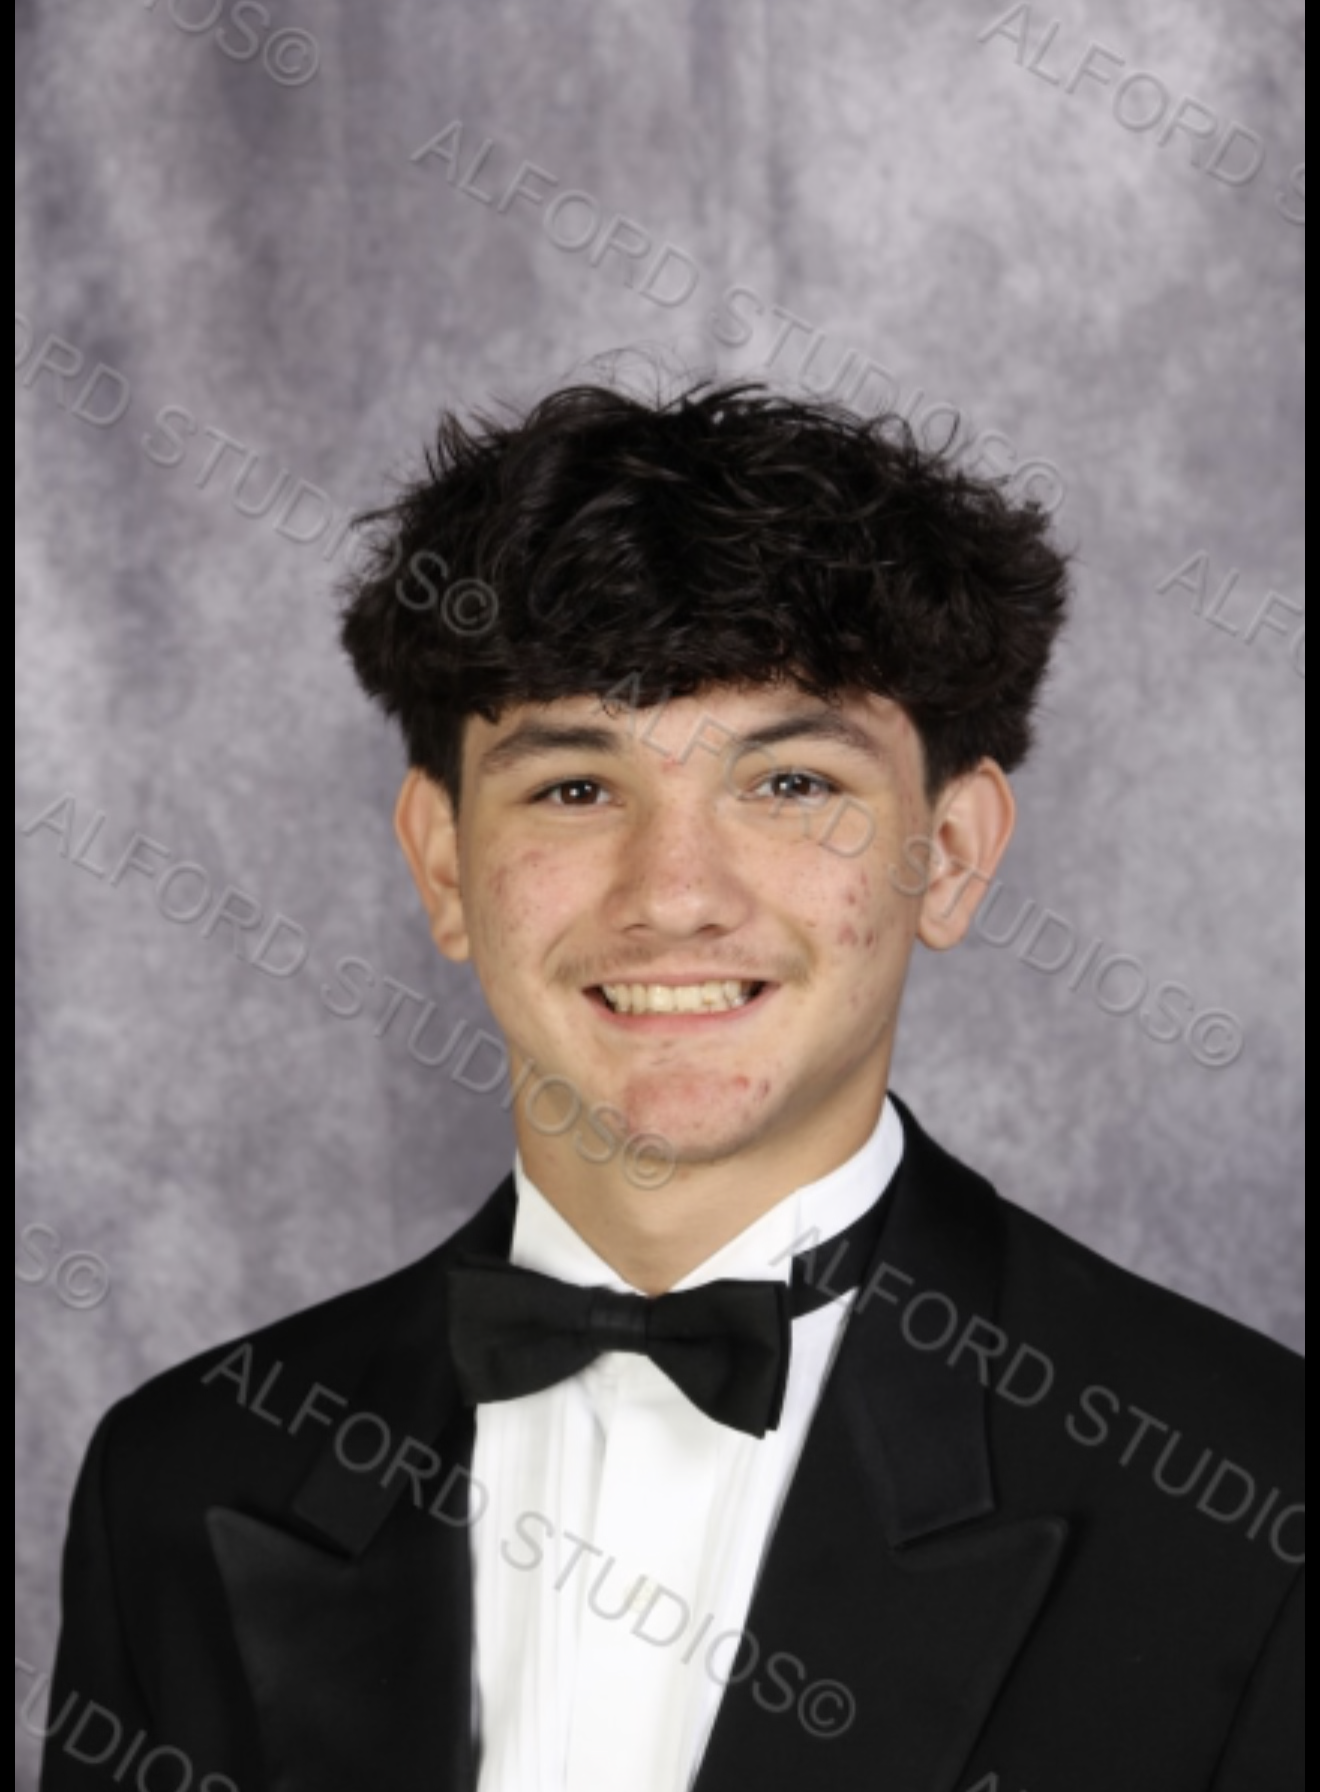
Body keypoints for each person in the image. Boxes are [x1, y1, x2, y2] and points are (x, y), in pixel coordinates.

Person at [40, 379, 1303, 1791]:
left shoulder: (1254, 1499)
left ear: (949, 855)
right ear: (445, 864)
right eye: (576, 789)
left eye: (790, 785)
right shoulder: (182, 1473)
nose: (676, 895)